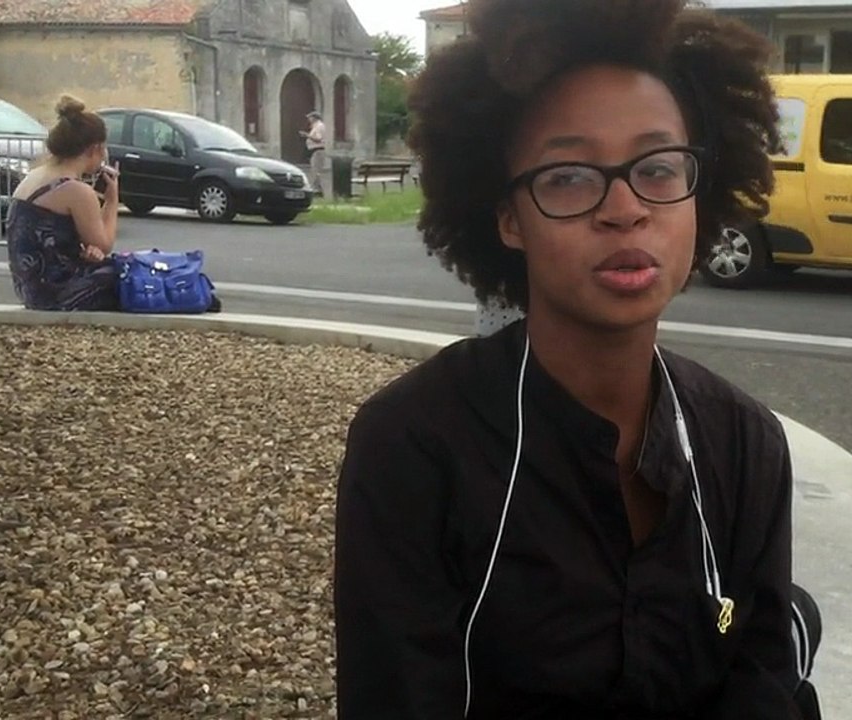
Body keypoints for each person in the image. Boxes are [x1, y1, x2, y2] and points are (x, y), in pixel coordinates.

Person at [333, 1, 822, 718]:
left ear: (700, 195)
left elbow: (761, 674)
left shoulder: (743, 443)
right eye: (568, 176)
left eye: (658, 168)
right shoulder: (415, 448)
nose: (624, 208)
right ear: (507, 218)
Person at [6, 95, 121, 311]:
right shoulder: (77, 191)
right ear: (94, 149)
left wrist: (86, 254)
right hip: (57, 292)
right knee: (129, 274)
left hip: (30, 288)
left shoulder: (35, 175)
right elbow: (104, 244)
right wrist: (112, 200)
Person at [300, 110, 327, 194]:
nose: (309, 119)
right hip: (314, 150)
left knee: (316, 170)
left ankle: (317, 189)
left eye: (310, 117)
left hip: (317, 150)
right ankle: (317, 188)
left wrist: (307, 135)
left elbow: (318, 139)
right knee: (315, 169)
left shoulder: (319, 126)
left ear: (314, 118)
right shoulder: (315, 126)